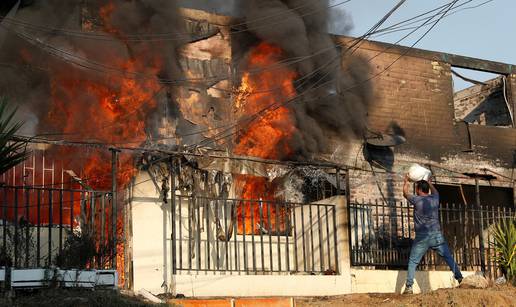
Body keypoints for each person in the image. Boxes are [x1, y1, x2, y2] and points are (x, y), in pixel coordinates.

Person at [402, 174, 463, 294]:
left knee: (413, 261)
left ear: (419, 190)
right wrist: (430, 183)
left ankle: (409, 287)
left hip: (422, 237)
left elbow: (405, 193)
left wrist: (406, 181)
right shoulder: (435, 199)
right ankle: (460, 278)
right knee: (448, 257)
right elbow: (436, 192)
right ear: (427, 189)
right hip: (436, 235)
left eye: (417, 189)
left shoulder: (416, 200)